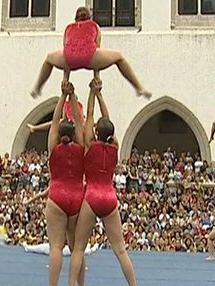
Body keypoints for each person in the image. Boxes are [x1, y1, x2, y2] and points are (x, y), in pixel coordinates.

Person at [68, 78, 137, 286]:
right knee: (121, 249)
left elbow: (88, 117)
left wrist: (91, 94)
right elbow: (107, 120)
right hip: (109, 196)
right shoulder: (114, 146)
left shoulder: (89, 145)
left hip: (92, 195)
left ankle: (72, 284)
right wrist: (99, 94)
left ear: (97, 132)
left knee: (79, 247)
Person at [30, 6, 151, 99]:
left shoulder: (69, 28)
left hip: (70, 58)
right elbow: (97, 48)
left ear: (75, 19)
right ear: (89, 17)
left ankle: (38, 87)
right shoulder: (95, 26)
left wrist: (65, 79)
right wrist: (96, 77)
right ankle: (138, 87)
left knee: (49, 58)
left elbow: (66, 48)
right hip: (90, 56)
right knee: (119, 56)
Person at [45, 81, 86, 286]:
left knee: (55, 247)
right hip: (77, 197)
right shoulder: (81, 147)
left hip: (57, 195)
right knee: (77, 248)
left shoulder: (54, 147)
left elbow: (53, 123)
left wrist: (62, 96)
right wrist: (73, 99)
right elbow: (80, 125)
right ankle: (80, 285)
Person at [22, 241, 96, 256]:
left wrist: (94, 247)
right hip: (61, 248)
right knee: (42, 247)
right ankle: (28, 247)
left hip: (63, 249)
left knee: (43, 248)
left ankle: (28, 247)